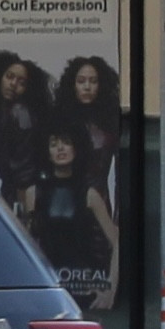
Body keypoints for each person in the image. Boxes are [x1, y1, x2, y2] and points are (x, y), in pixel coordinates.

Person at [22, 117, 120, 311]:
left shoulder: (89, 194)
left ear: (77, 148)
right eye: (53, 144)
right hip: (49, 291)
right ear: (46, 152)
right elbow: (25, 245)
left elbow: (117, 240)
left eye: (66, 143)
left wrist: (110, 290)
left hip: (84, 291)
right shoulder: (34, 193)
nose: (60, 149)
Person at [0, 50, 46, 205]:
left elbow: (25, 166)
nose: (13, 84)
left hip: (23, 193)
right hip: (12, 190)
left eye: (21, 82)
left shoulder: (20, 113)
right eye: (10, 77)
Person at [59, 54, 124, 195]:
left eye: (93, 81)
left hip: (100, 202)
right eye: (81, 81)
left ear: (101, 85)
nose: (87, 87)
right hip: (66, 201)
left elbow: (122, 178)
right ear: (72, 85)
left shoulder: (109, 124)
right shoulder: (59, 121)